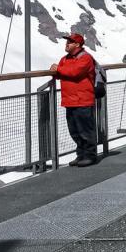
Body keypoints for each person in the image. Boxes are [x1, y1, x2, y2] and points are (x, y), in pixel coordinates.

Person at [50, 33, 98, 167]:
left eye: (70, 42)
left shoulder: (86, 58)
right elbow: (61, 74)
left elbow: (75, 72)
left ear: (77, 44)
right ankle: (81, 154)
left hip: (83, 100)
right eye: (67, 41)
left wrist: (58, 68)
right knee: (75, 131)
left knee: (85, 130)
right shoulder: (65, 59)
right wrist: (58, 70)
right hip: (70, 100)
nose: (67, 44)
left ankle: (90, 155)